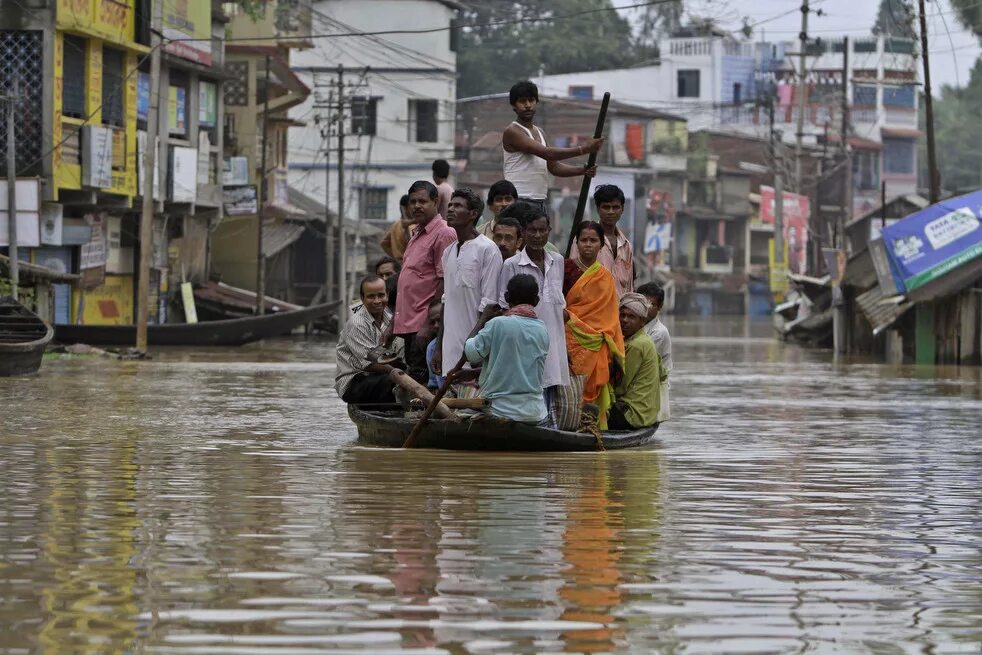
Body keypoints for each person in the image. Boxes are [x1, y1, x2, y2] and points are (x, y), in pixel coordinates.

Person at [497, 203, 570, 423]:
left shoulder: (557, 261)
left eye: (542, 230)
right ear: (523, 233)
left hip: (553, 341)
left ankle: (547, 428)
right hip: (524, 343)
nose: (537, 235)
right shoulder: (512, 265)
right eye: (532, 230)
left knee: (549, 389)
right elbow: (504, 307)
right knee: (529, 391)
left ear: (549, 231)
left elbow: (558, 304)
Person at [391, 180, 457, 384]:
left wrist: (428, 324)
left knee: (422, 384)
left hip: (425, 326)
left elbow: (445, 281)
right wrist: (393, 323)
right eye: (413, 202)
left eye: (422, 201)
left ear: (435, 202)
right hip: (409, 324)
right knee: (414, 379)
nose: (416, 206)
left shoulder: (444, 233)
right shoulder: (417, 233)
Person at [433, 188, 502, 380]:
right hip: (450, 348)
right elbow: (446, 302)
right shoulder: (448, 252)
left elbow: (489, 306)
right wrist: (438, 347)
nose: (450, 209)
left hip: (475, 351)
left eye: (457, 206)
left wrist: (471, 346)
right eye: (450, 205)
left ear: (473, 214)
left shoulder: (488, 249)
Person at [502, 80, 602, 213]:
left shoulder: (540, 132)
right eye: (522, 101)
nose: (527, 105)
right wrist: (584, 149)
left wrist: (583, 170)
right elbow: (547, 153)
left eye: (531, 100)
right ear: (513, 105)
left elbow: (554, 167)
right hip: (519, 199)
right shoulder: (513, 131)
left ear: (536, 102)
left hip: (539, 201)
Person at [464, 274, 549, 424]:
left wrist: (482, 319)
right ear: (536, 300)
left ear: (507, 297)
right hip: (535, 413)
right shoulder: (543, 329)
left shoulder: (498, 324)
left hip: (499, 410)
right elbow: (519, 366)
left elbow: (470, 354)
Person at [564, 221, 625, 428]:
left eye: (593, 240)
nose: (588, 245)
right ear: (576, 242)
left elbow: (610, 316)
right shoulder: (565, 269)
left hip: (598, 342)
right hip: (568, 339)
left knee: (594, 386)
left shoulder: (606, 277)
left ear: (601, 245)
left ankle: (592, 425)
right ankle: (567, 421)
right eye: (584, 240)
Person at [335, 275, 403, 404]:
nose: (377, 301)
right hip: (354, 382)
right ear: (362, 298)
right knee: (394, 381)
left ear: (387, 295)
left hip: (378, 376)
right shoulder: (357, 323)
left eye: (381, 295)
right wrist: (401, 375)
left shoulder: (389, 318)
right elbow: (369, 364)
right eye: (371, 296)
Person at [609, 293, 663, 430]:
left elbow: (621, 387)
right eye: (622, 315)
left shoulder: (637, 345)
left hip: (632, 414)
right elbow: (663, 373)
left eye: (631, 317)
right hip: (647, 412)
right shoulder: (646, 339)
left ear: (642, 322)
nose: (625, 320)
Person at [571, 185, 635, 296]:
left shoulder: (626, 246)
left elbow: (629, 287)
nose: (611, 212)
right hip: (592, 304)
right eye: (606, 207)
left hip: (619, 306)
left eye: (615, 207)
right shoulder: (584, 240)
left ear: (622, 209)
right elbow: (573, 276)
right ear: (598, 208)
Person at [637, 281, 672, 423]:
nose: (646, 307)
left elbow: (641, 360)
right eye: (643, 303)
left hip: (652, 385)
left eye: (651, 304)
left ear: (660, 307)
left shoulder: (659, 333)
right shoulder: (634, 324)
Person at [380, 194, 413, 262]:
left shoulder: (395, 225)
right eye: (412, 206)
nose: (415, 208)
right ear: (405, 208)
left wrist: (395, 256)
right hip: (409, 263)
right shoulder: (412, 226)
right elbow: (413, 245)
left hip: (399, 263)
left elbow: (383, 243)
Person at [424, 301, 445, 391]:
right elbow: (434, 384)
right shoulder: (432, 348)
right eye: (432, 322)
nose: (436, 325)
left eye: (439, 320)